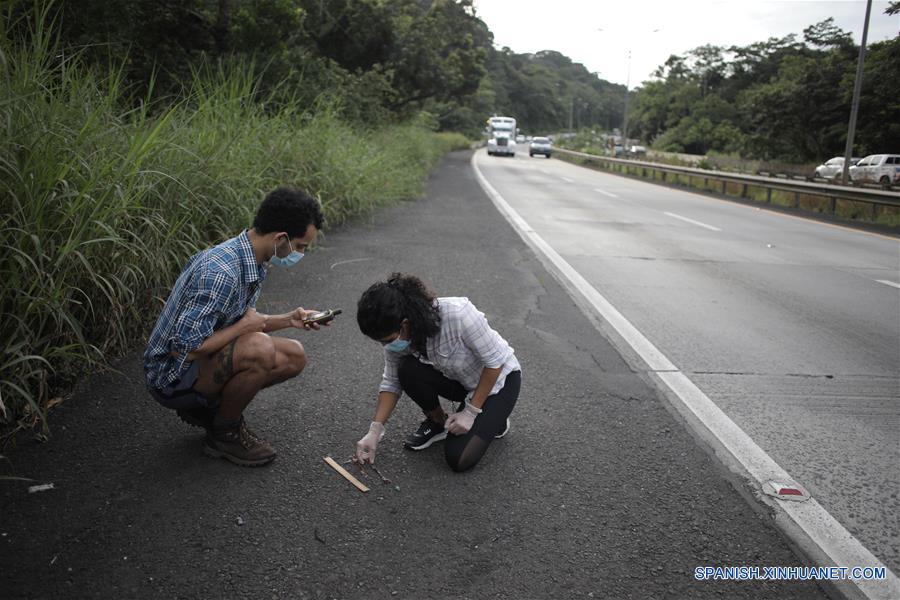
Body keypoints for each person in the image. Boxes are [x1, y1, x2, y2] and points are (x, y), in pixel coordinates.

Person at [143, 187, 327, 467]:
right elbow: (186, 349)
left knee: (294, 356)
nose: (301, 253)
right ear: (280, 238)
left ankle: (208, 409)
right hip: (170, 376)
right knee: (259, 347)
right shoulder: (221, 272)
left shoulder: (254, 257)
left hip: (200, 358)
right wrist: (244, 328)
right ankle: (223, 432)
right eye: (300, 246)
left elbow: (240, 322)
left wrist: (290, 319)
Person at [353, 273, 521, 472]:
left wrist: (470, 412)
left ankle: (497, 422)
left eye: (387, 340)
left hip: (497, 381)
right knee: (406, 369)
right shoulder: (399, 334)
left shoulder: (458, 314)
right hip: (459, 381)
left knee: (458, 459)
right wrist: (375, 431)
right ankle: (437, 422)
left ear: (405, 324)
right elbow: (391, 382)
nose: (385, 346)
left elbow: (495, 363)